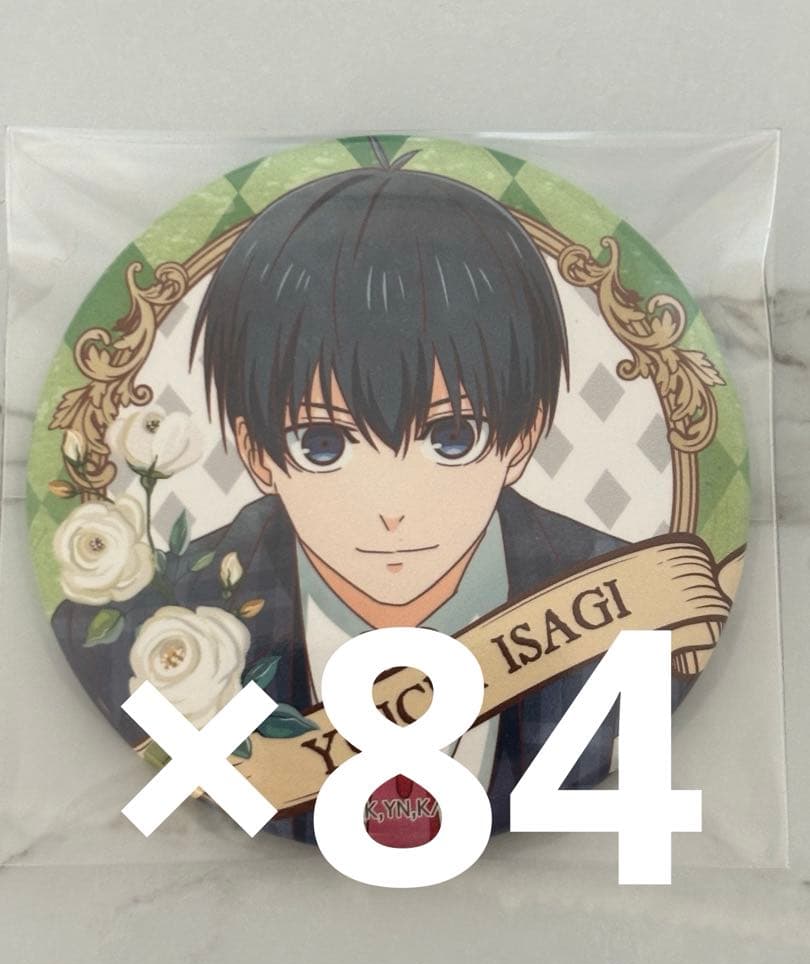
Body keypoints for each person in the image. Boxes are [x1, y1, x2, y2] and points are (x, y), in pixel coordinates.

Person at [52, 140, 691, 844]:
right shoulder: (153, 624)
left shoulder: (630, 601)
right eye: (323, 444)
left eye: (452, 437)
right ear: (256, 451)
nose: (392, 509)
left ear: (523, 435)